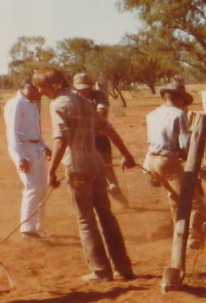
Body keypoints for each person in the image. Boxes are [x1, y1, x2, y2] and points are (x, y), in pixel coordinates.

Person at [32, 66, 136, 283]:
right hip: (97, 165)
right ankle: (123, 268)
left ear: (52, 85)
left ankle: (100, 271)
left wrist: (52, 171)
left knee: (85, 220)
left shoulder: (58, 104)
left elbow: (61, 139)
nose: (39, 92)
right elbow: (108, 128)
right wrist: (127, 154)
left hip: (78, 167)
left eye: (41, 87)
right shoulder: (84, 102)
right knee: (107, 215)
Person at [145, 82, 206, 249]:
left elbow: (149, 142)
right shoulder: (179, 114)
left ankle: (179, 235)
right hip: (167, 161)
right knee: (195, 202)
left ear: (165, 96)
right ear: (180, 98)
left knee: (174, 198)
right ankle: (193, 238)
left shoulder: (151, 114)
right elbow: (185, 144)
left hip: (152, 160)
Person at [4, 76, 52, 240]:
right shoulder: (16, 103)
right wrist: (20, 157)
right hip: (23, 148)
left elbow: (35, 131)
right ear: (28, 87)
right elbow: (12, 132)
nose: (40, 92)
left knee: (42, 188)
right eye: (37, 88)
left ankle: (38, 227)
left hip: (35, 147)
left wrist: (45, 147)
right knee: (32, 187)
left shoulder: (32, 104)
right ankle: (27, 230)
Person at [73, 73, 129, 207]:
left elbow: (102, 115)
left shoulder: (98, 96)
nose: (83, 91)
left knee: (107, 170)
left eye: (85, 87)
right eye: (80, 88)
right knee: (83, 173)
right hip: (80, 142)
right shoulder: (72, 97)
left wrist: (82, 120)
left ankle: (122, 202)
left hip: (99, 139)